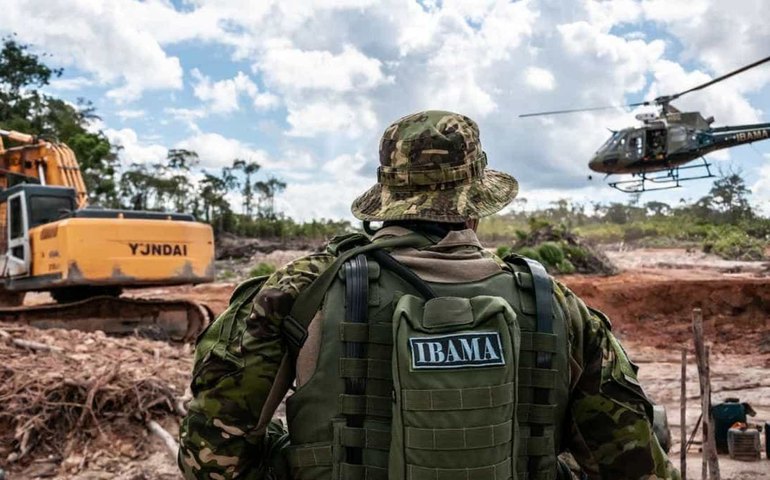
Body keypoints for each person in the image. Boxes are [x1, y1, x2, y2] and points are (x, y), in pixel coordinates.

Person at [178, 110, 679, 480]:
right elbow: (634, 465)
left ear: (387, 200)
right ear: (476, 202)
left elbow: (210, 461)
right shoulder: (557, 304)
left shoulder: (298, 291)